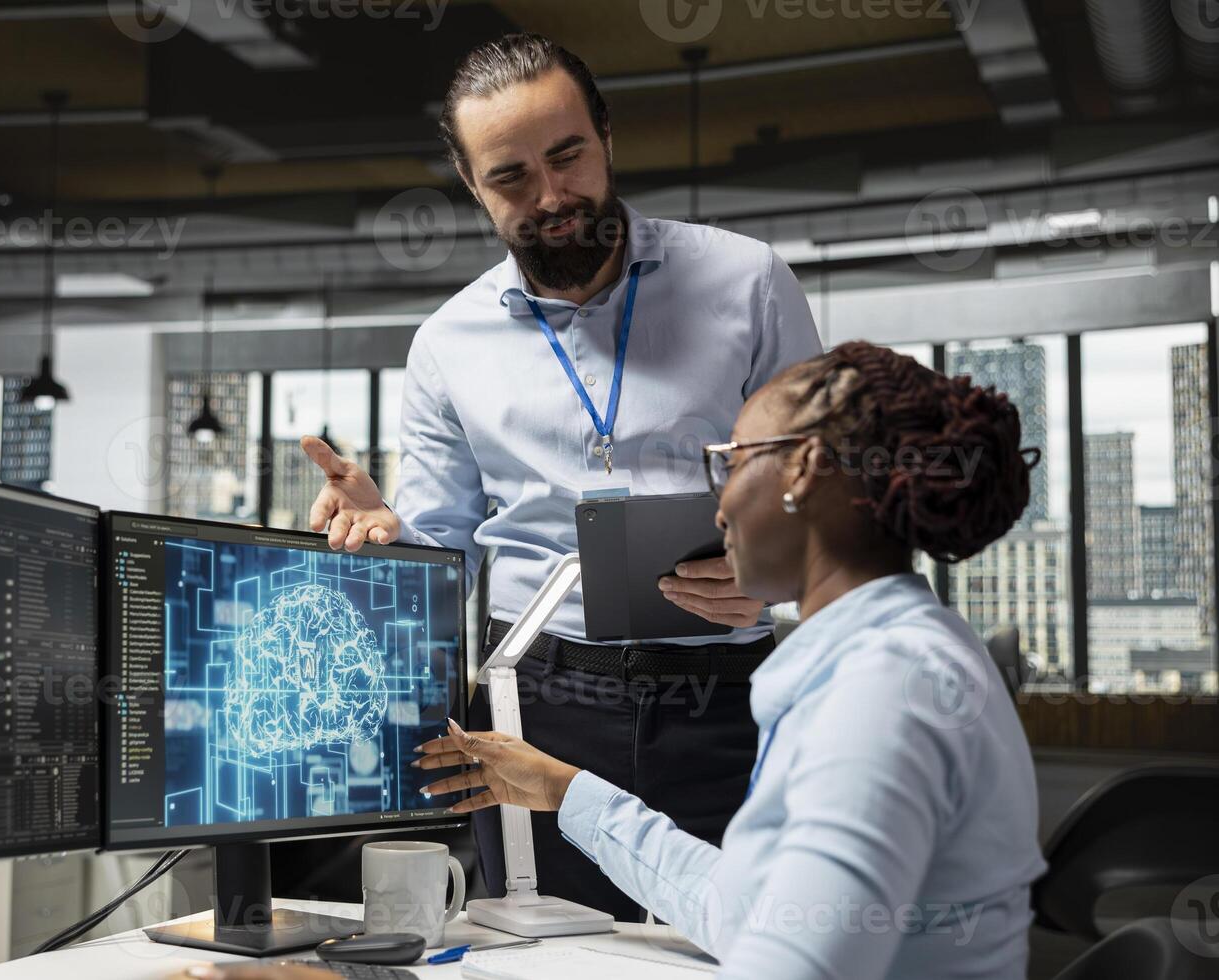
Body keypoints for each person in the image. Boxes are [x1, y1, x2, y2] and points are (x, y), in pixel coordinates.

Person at [301, 33, 822, 917]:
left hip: (725, 693)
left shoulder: (749, 283)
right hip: (535, 699)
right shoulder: (445, 345)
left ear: (606, 137)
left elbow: (824, 493)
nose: (551, 196)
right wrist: (386, 536)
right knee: (543, 949)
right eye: (510, 176)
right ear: (472, 186)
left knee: (752, 939)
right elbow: (444, 555)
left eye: (568, 155)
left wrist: (777, 575)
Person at [414, 342, 1049, 978]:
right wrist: (564, 790)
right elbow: (755, 912)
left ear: (804, 470)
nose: (718, 505)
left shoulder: (881, 688)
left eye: (732, 463)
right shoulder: (901, 650)